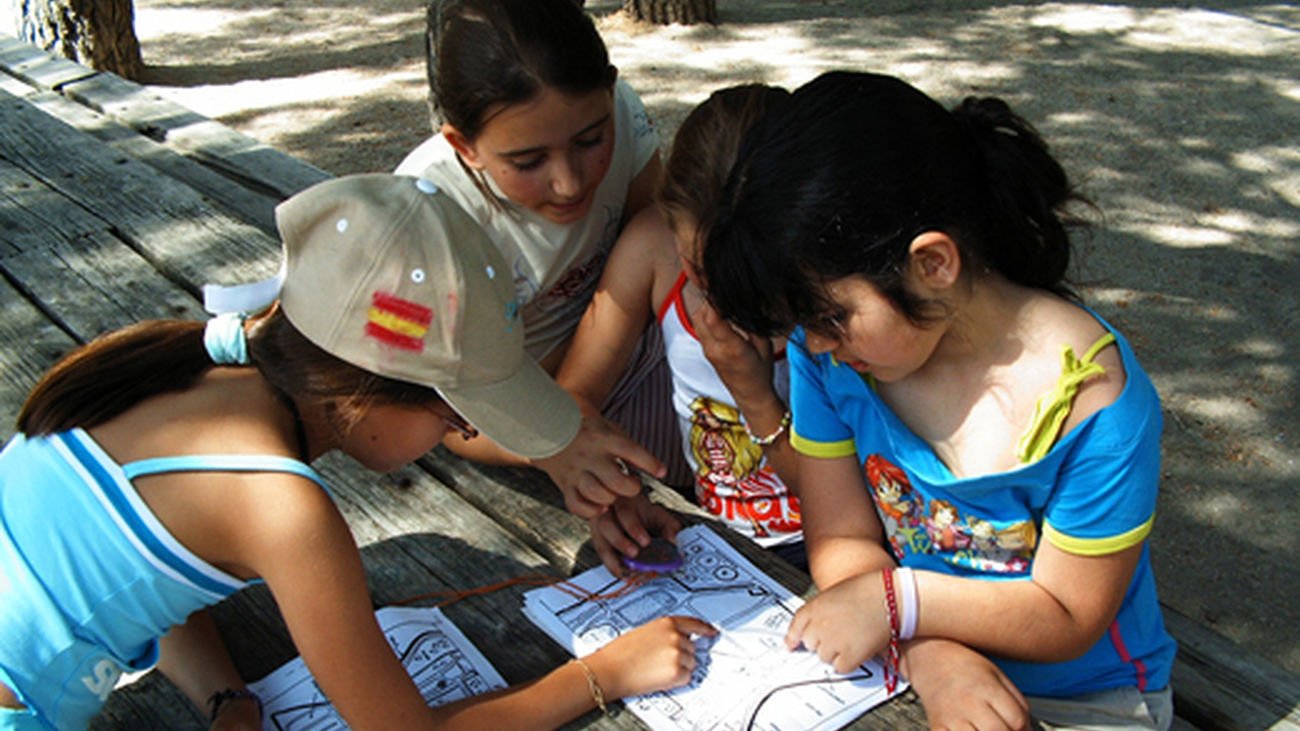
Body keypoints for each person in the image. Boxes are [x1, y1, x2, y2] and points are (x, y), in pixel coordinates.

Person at [0, 174, 715, 731]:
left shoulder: (189, 366)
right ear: (363, 394)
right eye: (455, 415)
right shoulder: (283, 507)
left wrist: (226, 696)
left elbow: (153, 581)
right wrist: (604, 674)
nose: (457, 437)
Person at [700, 71, 1178, 729]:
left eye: (830, 315)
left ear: (932, 264)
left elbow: (1067, 615)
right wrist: (930, 650)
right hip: (906, 656)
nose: (813, 343)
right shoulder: (839, 360)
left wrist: (895, 601)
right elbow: (840, 535)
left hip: (1091, 697)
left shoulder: (1094, 404)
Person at [397, 0, 687, 515]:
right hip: (508, 422)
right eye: (528, 161)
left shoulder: (622, 108)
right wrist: (556, 441)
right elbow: (437, 417)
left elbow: (657, 250)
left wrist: (575, 412)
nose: (570, 182)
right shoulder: (428, 219)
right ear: (464, 146)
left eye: (591, 140)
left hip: (627, 363)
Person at [555, 85, 806, 573]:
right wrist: (617, 495)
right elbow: (572, 400)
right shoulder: (655, 248)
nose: (732, 299)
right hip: (708, 529)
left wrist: (755, 397)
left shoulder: (829, 303)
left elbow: (843, 500)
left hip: (832, 536)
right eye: (707, 274)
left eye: (755, 282)